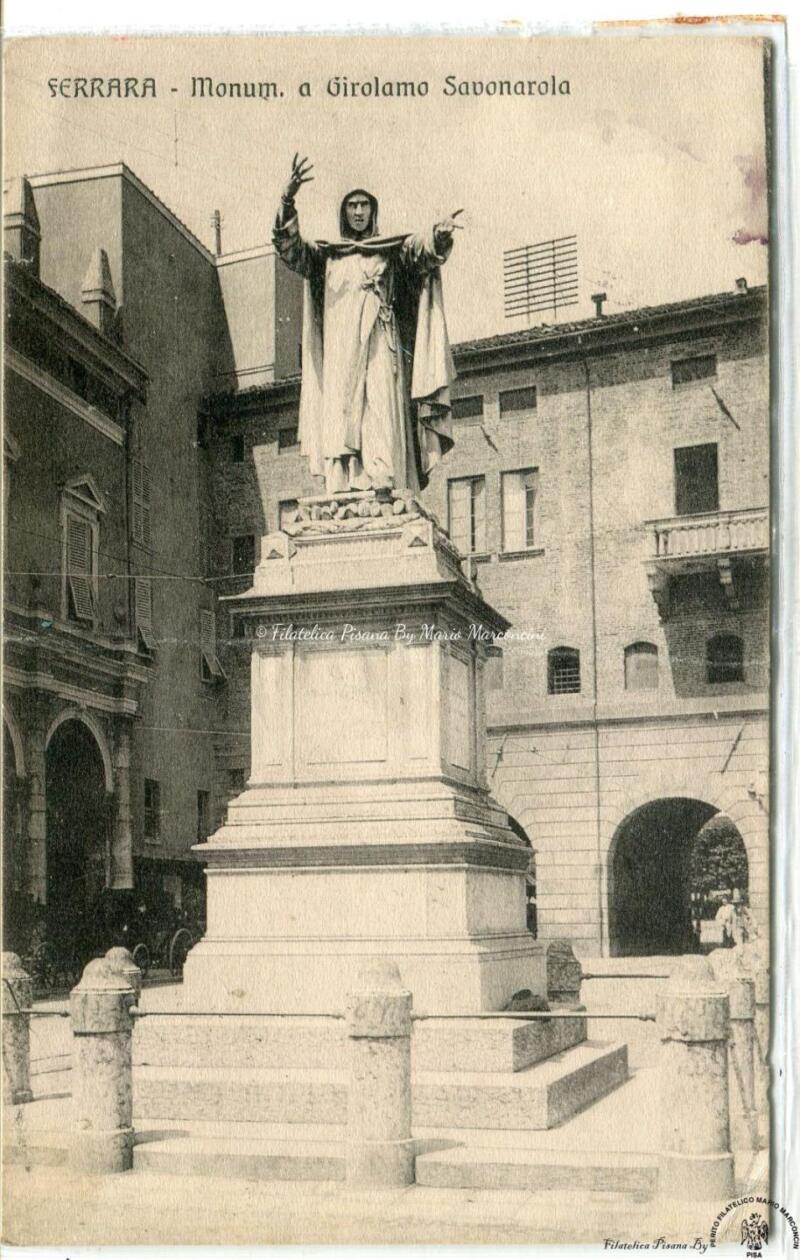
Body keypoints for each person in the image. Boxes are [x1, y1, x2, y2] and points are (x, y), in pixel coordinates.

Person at [273, 155, 462, 495]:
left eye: (364, 205)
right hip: (341, 350)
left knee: (379, 406)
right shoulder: (327, 256)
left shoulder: (389, 251)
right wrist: (287, 201)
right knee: (343, 413)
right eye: (351, 205)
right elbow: (290, 250)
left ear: (373, 210)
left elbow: (420, 252)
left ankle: (383, 477)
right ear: (342, 211)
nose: (358, 212)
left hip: (379, 341)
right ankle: (343, 483)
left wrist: (439, 235)